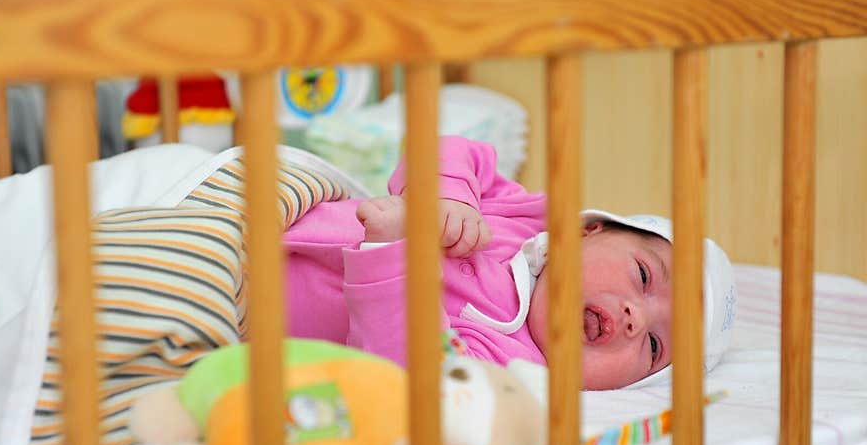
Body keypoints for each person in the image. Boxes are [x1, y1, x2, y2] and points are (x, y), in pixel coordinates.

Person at [283, 135, 736, 390]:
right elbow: (452, 148)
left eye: (656, 347)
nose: (637, 318)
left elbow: (407, 374)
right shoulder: (523, 218)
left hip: (241, 303)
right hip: (271, 213)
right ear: (586, 230)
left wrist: (390, 256)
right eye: (643, 276)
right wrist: (447, 196)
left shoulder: (511, 369)